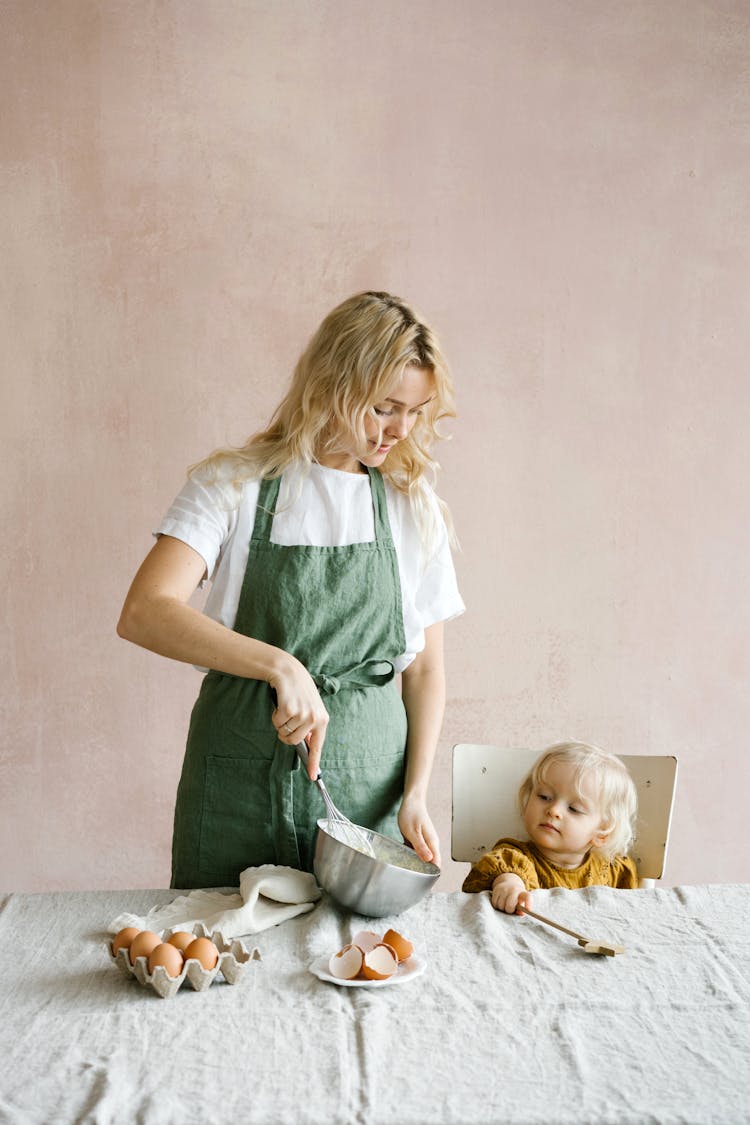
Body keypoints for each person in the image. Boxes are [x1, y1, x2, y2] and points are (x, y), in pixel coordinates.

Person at [117, 291, 464, 888]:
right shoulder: (234, 484)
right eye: (384, 407)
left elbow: (426, 670)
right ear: (333, 383)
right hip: (235, 787)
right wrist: (280, 665)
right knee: (223, 958)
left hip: (365, 791)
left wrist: (415, 793)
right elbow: (145, 611)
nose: (401, 430)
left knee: (356, 964)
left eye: (416, 410)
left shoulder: (413, 509)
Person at [462, 741, 639, 912]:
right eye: (544, 797)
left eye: (573, 809)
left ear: (602, 832)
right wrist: (508, 885)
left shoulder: (614, 871)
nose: (554, 810)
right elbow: (504, 872)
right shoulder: (516, 857)